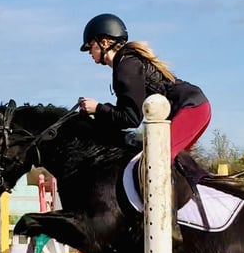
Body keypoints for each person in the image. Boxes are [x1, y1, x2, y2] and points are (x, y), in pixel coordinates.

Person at [78, 13, 211, 176]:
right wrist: (97, 114)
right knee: (177, 167)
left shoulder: (126, 66)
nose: (89, 52)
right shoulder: (126, 63)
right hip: (194, 107)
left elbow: (131, 118)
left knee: (155, 162)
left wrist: (98, 108)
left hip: (191, 109)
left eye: (91, 46)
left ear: (104, 42)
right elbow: (124, 117)